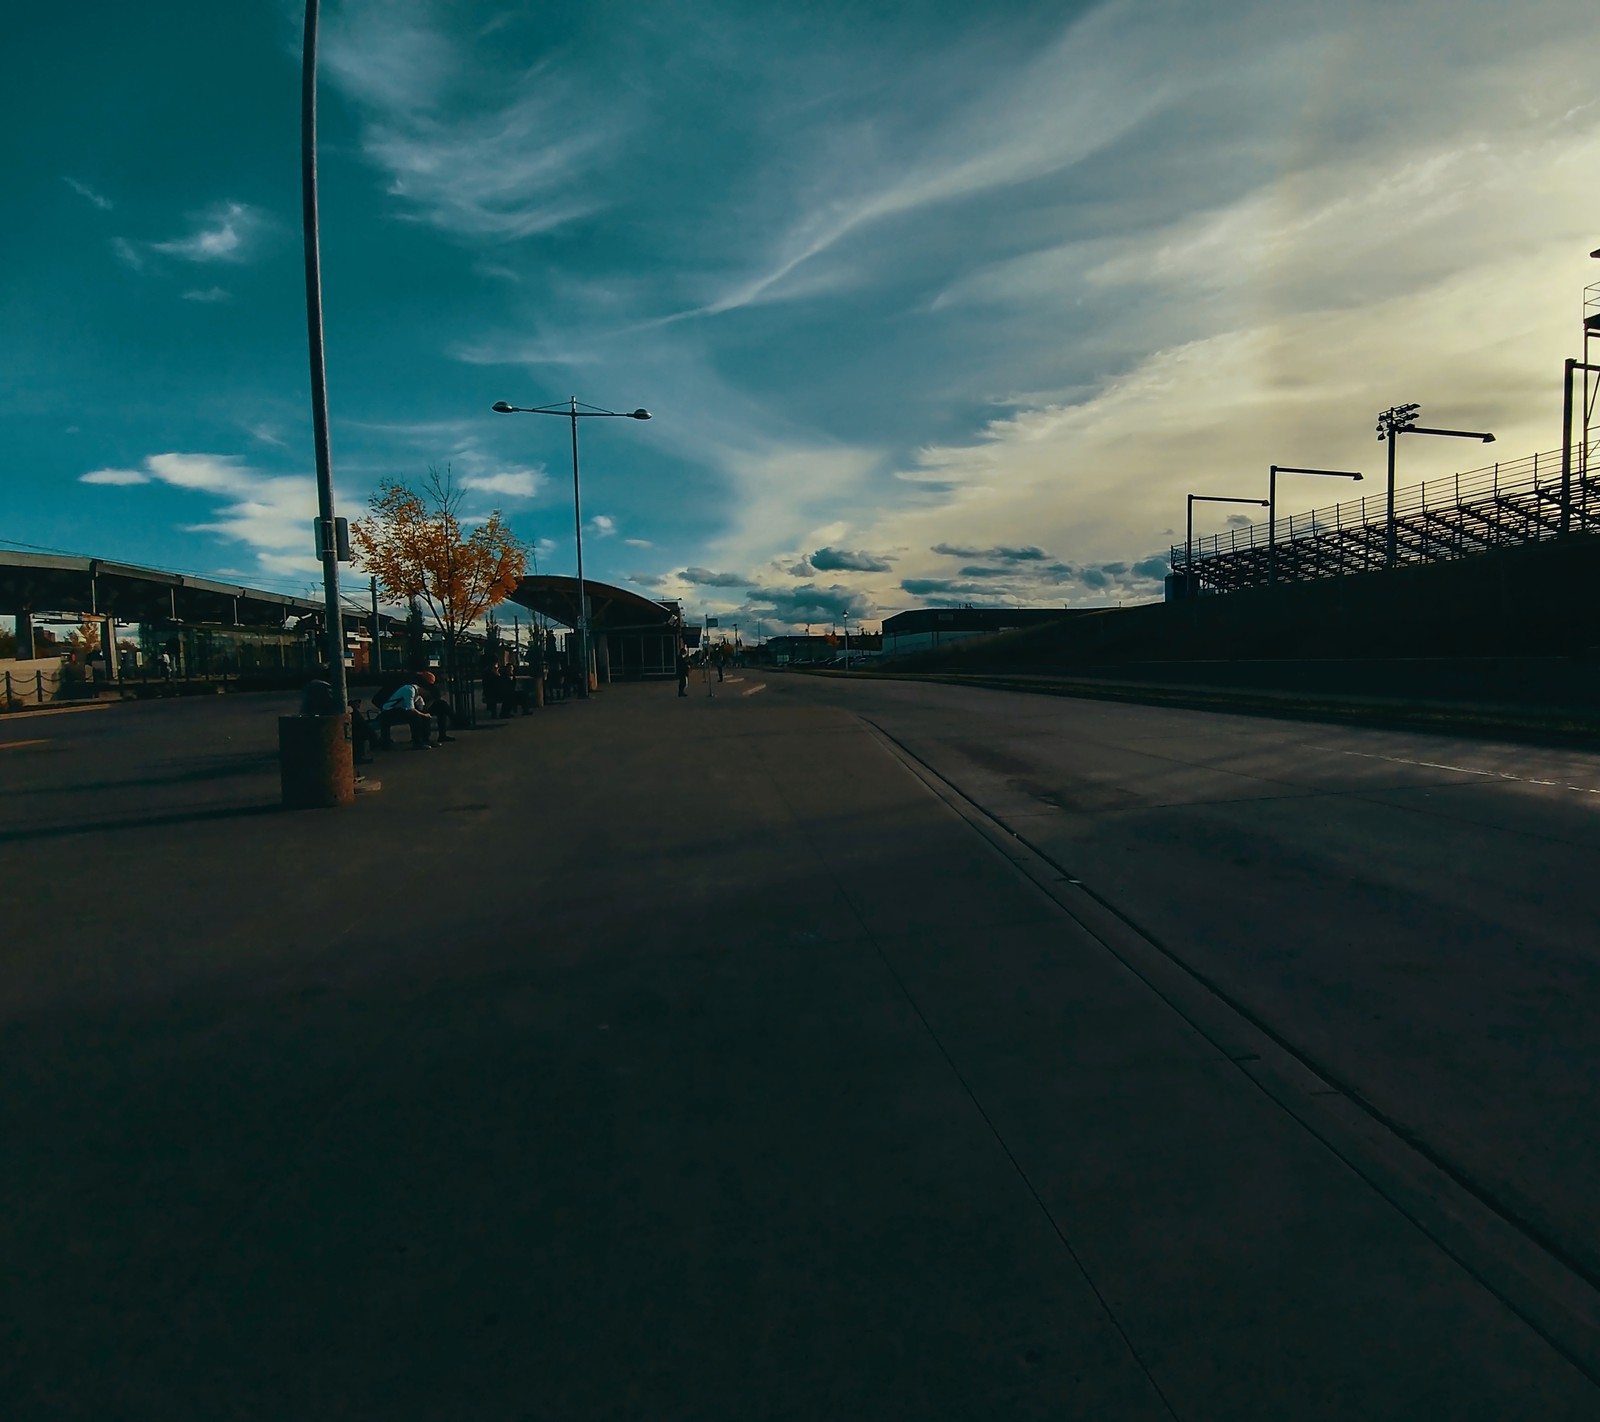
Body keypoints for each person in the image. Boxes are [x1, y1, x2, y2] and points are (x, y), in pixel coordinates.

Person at [299, 667, 376, 764]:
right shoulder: (323, 687)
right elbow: (336, 709)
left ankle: (370, 736)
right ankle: (362, 748)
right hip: (322, 720)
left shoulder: (312, 685)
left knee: (354, 716)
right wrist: (351, 707)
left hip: (313, 718)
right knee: (355, 723)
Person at [376, 675, 434, 750]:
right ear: (424, 689)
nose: (427, 696)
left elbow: (421, 708)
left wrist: (425, 714)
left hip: (399, 710)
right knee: (414, 716)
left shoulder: (418, 694)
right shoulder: (409, 690)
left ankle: (426, 739)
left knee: (424, 716)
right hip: (388, 711)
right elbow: (411, 709)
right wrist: (424, 714)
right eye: (427, 694)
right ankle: (417, 743)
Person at [417, 670, 457, 743]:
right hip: (421, 707)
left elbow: (433, 700)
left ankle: (443, 734)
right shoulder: (423, 687)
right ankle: (454, 718)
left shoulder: (429, 687)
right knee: (442, 706)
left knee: (442, 708)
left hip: (425, 707)